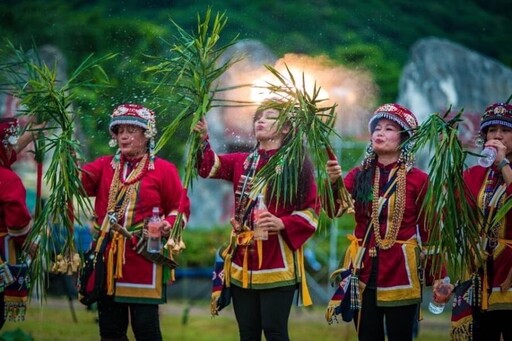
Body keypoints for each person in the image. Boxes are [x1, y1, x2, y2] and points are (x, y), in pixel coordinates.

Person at [194, 99, 320, 341]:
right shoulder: (242, 161)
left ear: (286, 128)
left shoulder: (297, 165)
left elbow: (312, 209)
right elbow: (208, 167)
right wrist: (203, 139)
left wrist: (283, 223)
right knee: (247, 333)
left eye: (269, 117)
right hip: (243, 261)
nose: (261, 121)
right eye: (258, 117)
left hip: (278, 261)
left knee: (275, 332)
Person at [80, 103, 190, 341]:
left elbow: (181, 208)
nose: (124, 136)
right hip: (108, 257)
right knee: (110, 330)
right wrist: (67, 163)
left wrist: (167, 224)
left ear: (146, 134)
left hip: (143, 255)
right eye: (119, 131)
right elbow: (79, 185)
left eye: (131, 130)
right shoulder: (103, 166)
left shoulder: (163, 170)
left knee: (146, 328)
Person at [326, 103, 436, 341]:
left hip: (400, 270)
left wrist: (440, 277)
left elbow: (430, 229)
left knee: (400, 336)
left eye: (388, 129)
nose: (379, 133)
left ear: (404, 138)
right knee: (366, 336)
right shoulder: (359, 175)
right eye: (376, 128)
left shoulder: (419, 180)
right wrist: (333, 183)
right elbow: (334, 209)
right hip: (363, 268)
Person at [434, 102, 512, 341]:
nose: (497, 135)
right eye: (491, 130)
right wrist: (446, 275)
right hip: (479, 273)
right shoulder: (474, 174)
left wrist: (503, 164)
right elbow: (451, 221)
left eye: (505, 130)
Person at [0, 117, 33, 329]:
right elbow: (18, 223)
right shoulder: (7, 179)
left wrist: (35, 131)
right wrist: (31, 242)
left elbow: (7, 154)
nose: (15, 148)